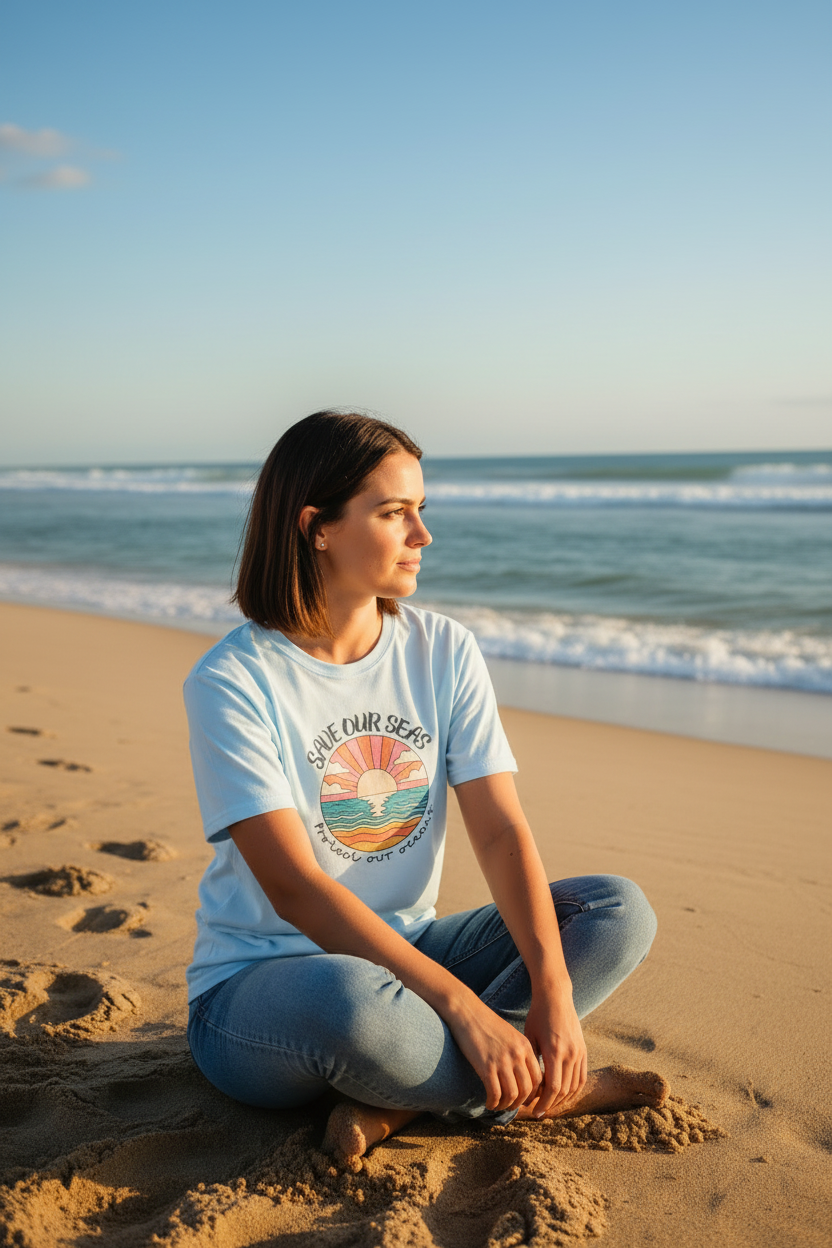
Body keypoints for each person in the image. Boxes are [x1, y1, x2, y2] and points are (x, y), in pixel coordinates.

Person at [184, 410, 664, 1167]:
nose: (422, 535)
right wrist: (462, 1005)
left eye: (421, 511)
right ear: (317, 527)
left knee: (614, 911)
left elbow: (501, 830)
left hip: (410, 950)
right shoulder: (234, 680)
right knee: (357, 1010)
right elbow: (296, 889)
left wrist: (554, 992)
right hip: (264, 991)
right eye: (392, 513)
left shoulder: (443, 650)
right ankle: (539, 1090)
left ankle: (399, 1105)